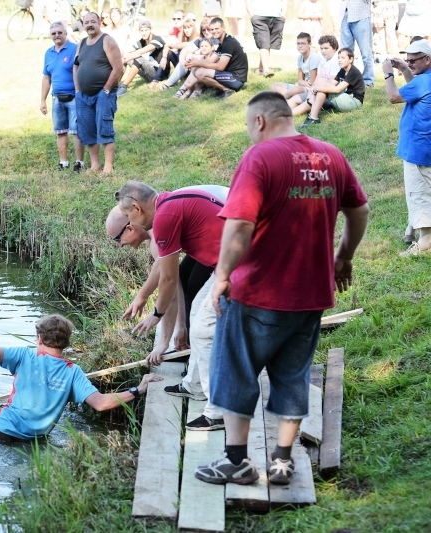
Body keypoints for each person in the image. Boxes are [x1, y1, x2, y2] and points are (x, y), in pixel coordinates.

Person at [194, 91, 369, 486]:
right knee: (292, 376)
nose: (249, 134)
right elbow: (360, 209)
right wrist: (344, 257)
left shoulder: (260, 158)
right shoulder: (330, 155)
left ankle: (236, 461)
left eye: (247, 126)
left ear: (259, 121)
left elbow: (239, 225)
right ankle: (282, 462)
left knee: (235, 373)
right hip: (311, 294)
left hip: (258, 293)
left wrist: (222, 275)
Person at [0, 312, 163, 444]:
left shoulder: (25, 356)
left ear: (40, 338)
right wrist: (138, 389)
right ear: (66, 342)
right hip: (31, 442)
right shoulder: (73, 372)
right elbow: (102, 404)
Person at [115, 181, 229, 431]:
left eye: (127, 216)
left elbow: (168, 278)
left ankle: (219, 411)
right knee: (198, 316)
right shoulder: (167, 206)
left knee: (201, 330)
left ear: (136, 207)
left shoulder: (165, 217)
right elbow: (168, 273)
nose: (130, 223)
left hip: (241, 263)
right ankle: (195, 386)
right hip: (222, 265)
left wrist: (156, 314)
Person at [383, 39, 431, 256]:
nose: (409, 63)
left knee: (418, 193)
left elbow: (394, 97)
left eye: (413, 60)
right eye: (407, 60)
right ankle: (412, 228)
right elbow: (414, 88)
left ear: (428, 59)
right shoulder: (425, 81)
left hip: (417, 150)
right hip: (422, 147)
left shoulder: (423, 83)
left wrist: (388, 74)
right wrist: (403, 68)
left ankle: (424, 242)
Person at [73, 12, 123, 173]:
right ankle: (95, 165)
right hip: (83, 96)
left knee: (105, 128)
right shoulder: (81, 43)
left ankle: (108, 166)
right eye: (86, 22)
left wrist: (106, 89)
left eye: (93, 21)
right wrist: (77, 90)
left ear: (99, 22)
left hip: (103, 94)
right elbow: (76, 66)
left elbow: (118, 68)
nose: (89, 25)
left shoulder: (107, 40)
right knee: (87, 130)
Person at [41, 21, 85, 172]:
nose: (57, 35)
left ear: (66, 33)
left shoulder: (74, 49)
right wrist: (43, 100)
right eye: (53, 33)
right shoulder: (48, 53)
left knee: (76, 131)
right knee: (60, 131)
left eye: (60, 32)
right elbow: (46, 78)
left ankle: (79, 162)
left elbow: (81, 71)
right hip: (56, 98)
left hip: (74, 97)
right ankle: (63, 162)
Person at [185, 17, 249, 100]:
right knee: (197, 68)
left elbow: (220, 67)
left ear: (223, 28)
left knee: (200, 72)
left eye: (217, 28)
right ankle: (187, 88)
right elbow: (210, 60)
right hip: (230, 75)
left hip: (236, 79)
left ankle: (227, 89)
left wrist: (199, 63)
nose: (214, 31)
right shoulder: (222, 43)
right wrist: (194, 63)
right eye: (212, 29)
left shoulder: (228, 43)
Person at [301, 47, 365, 127]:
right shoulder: (343, 70)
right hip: (346, 97)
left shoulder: (353, 72)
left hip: (354, 102)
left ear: (350, 59)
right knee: (324, 84)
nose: (339, 60)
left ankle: (313, 117)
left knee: (323, 89)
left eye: (343, 58)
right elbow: (331, 83)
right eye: (338, 58)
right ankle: (312, 115)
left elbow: (337, 90)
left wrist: (317, 88)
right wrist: (319, 86)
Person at [288, 34, 341, 116]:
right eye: (321, 48)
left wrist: (313, 94)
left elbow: (331, 84)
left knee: (307, 103)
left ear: (334, 48)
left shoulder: (336, 62)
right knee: (295, 98)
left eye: (326, 48)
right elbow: (317, 80)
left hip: (327, 95)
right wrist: (311, 92)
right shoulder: (323, 60)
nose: (323, 51)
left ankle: (284, 115)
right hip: (316, 90)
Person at [117, 20, 166, 95]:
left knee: (139, 59)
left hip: (159, 74)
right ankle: (116, 84)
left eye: (146, 30)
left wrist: (125, 59)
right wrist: (120, 55)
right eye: (142, 30)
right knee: (126, 56)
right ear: (139, 31)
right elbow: (128, 50)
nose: (144, 32)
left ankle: (124, 86)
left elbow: (140, 52)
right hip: (148, 72)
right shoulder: (142, 41)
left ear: (151, 30)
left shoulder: (157, 39)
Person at [271, 33, 323, 100]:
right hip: (304, 85)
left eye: (303, 43)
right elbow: (300, 80)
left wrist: (301, 83)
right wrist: (301, 83)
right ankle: (289, 96)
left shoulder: (314, 58)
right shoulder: (300, 57)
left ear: (309, 44)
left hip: (311, 89)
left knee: (295, 89)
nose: (300, 46)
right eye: (298, 43)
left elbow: (312, 83)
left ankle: (284, 98)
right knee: (275, 85)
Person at [246, 0, 287, 77]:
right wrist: (252, 15)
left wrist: (283, 16)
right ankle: (266, 69)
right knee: (264, 42)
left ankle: (261, 68)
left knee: (268, 43)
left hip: (277, 16)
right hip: (259, 16)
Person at [339, 0, 375, 88]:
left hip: (361, 15)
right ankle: (347, 79)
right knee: (345, 51)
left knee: (366, 51)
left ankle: (368, 81)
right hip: (345, 14)